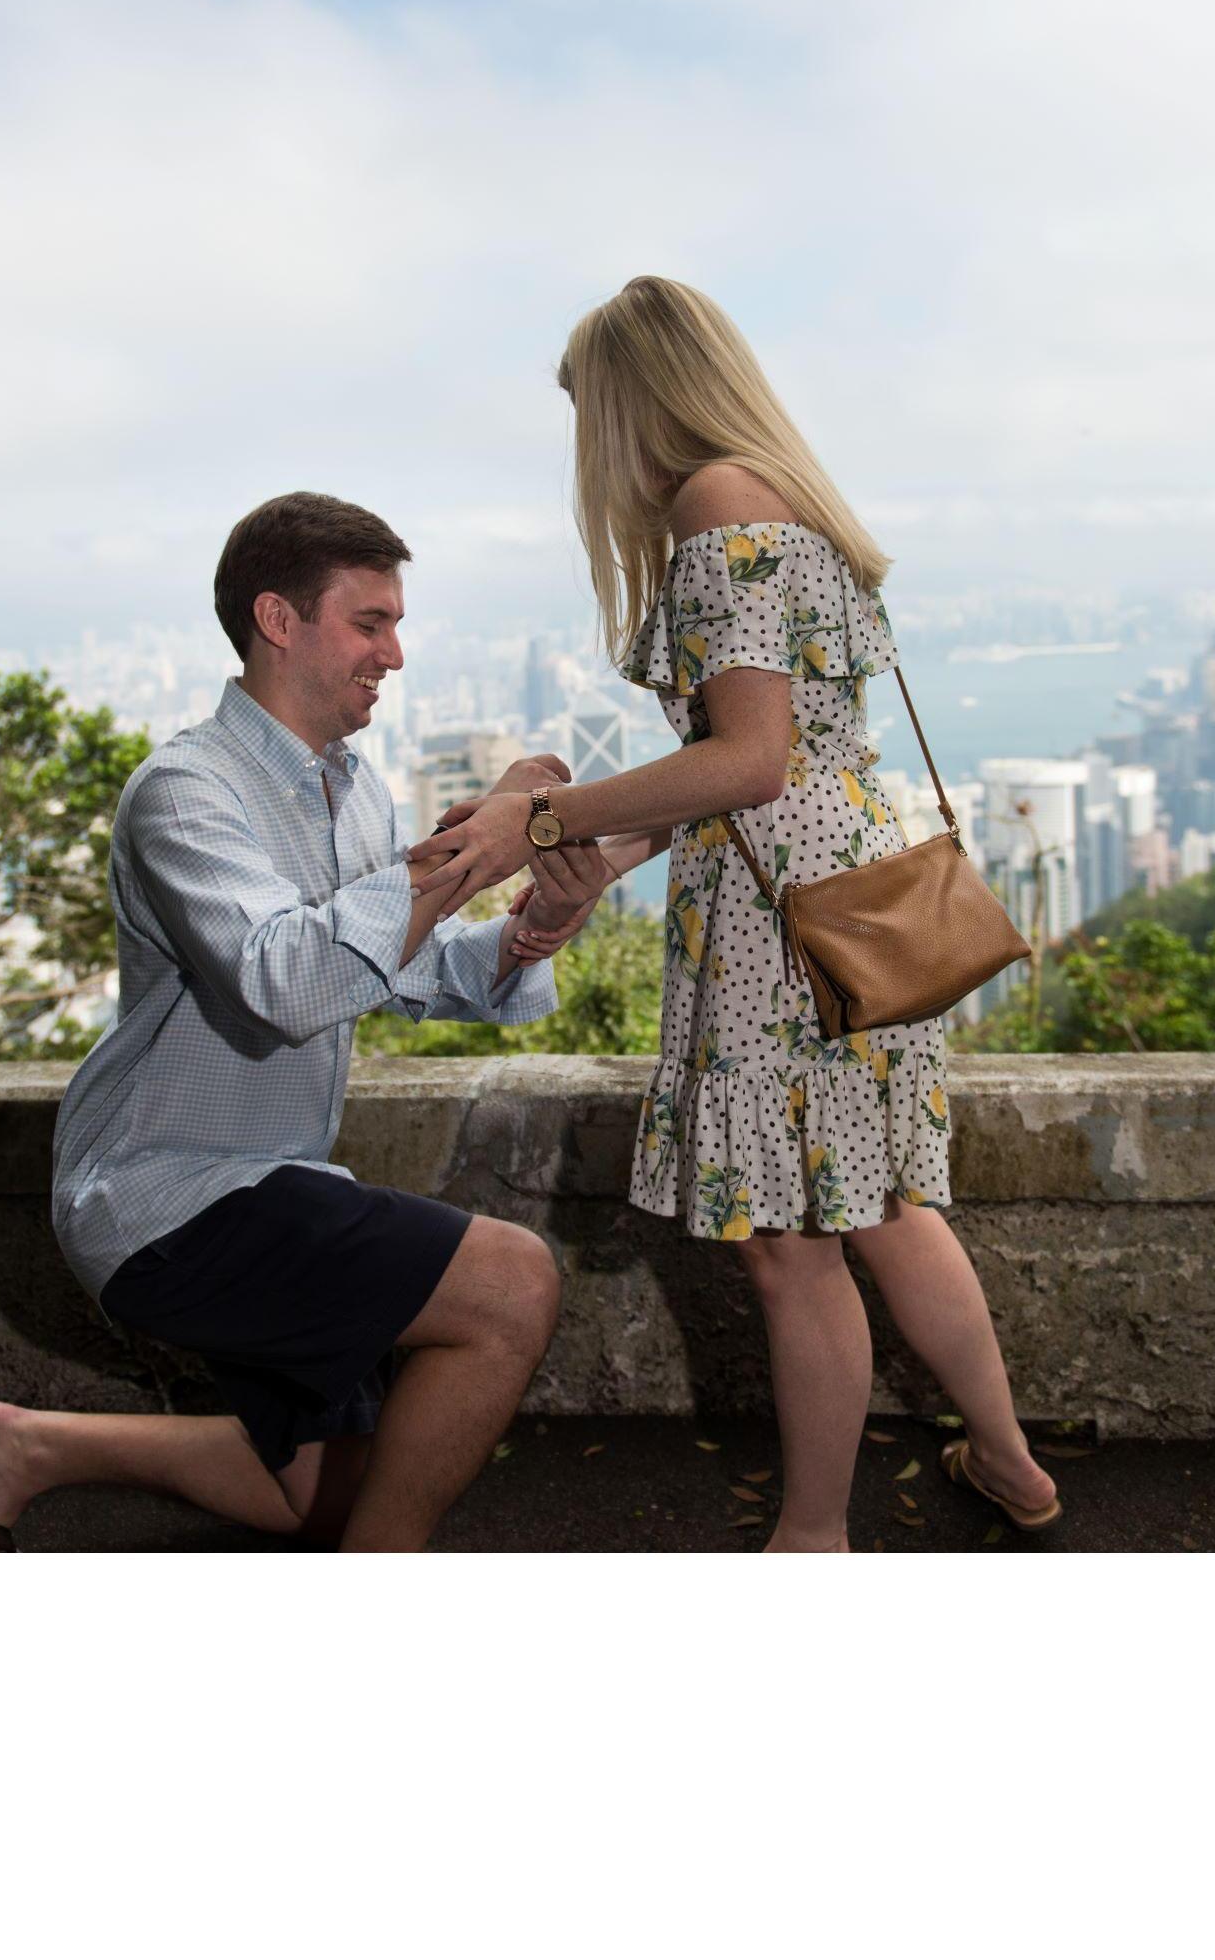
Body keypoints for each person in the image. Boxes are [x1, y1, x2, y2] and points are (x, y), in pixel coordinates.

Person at [408, 276, 1065, 1551]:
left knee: (789, 1244)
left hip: (784, 927)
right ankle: (1010, 1463)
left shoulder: (717, 503)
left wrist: (540, 823)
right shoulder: (782, 498)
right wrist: (603, 857)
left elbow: (750, 762)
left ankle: (813, 1538)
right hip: (842, 896)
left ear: (634, 398)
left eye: (588, 412)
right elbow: (760, 759)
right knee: (880, 1208)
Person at [0, 491, 614, 1553]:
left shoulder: (357, 796)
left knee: (316, 1493)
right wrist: (476, 847)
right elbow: (286, 982)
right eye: (371, 623)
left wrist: (535, 921)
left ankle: (30, 1448)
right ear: (280, 621)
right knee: (511, 1285)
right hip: (164, 1196)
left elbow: (394, 972)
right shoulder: (186, 792)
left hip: (273, 1186)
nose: (395, 654)